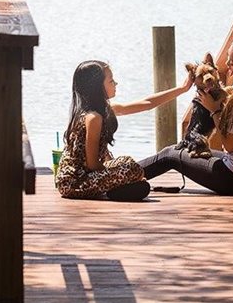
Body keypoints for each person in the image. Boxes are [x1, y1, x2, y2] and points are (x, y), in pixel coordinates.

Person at [138, 34, 233, 195]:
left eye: (232, 63)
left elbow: (230, 146)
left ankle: (120, 177)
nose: (227, 66)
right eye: (227, 60)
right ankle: (124, 175)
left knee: (169, 155)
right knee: (174, 151)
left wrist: (214, 110)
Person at [56, 60, 194, 201]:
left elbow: (148, 103)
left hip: (88, 175)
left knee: (127, 163)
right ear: (97, 87)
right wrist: (119, 175)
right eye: (111, 81)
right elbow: (92, 164)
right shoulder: (93, 118)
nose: (116, 83)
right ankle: (120, 185)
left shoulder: (103, 111)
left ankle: (120, 186)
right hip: (74, 183)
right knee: (131, 169)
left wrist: (183, 88)